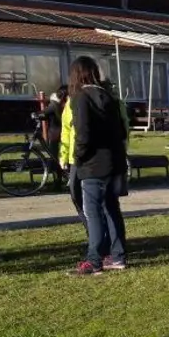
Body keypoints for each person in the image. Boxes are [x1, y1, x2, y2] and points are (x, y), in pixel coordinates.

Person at [64, 57, 129, 276]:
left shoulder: (81, 98)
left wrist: (78, 157)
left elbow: (83, 134)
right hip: (113, 162)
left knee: (93, 213)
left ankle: (94, 260)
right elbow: (121, 131)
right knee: (111, 209)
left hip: (93, 164)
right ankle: (117, 256)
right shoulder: (109, 97)